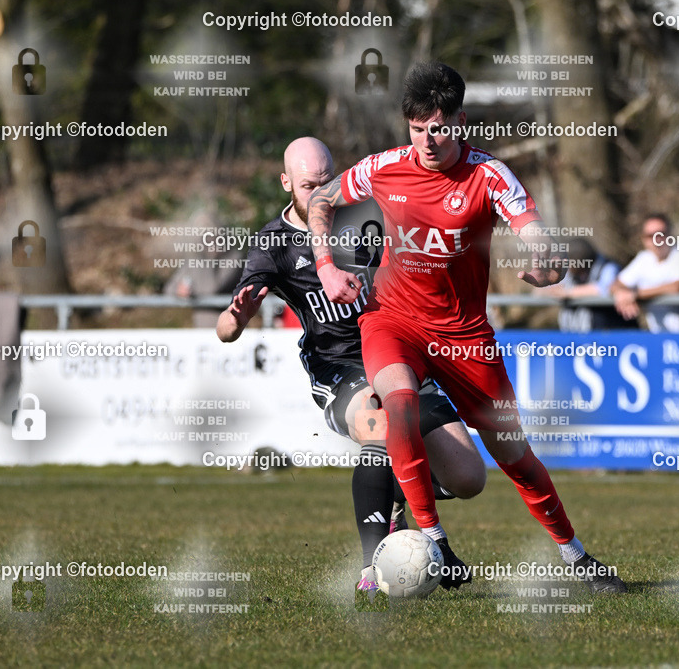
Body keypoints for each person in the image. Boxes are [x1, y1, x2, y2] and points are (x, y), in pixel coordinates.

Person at [307, 62, 626, 593]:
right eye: (416, 129)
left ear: (459, 120)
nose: (427, 140)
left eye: (438, 127)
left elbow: (537, 234)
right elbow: (322, 199)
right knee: (400, 402)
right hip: (394, 320)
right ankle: (432, 539)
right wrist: (325, 265)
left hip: (464, 337)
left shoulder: (488, 176)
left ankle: (577, 557)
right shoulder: (386, 167)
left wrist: (548, 264)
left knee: (514, 456)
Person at [216, 137, 486, 600]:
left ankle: (397, 502)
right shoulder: (273, 242)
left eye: (326, 182)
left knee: (467, 479)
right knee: (380, 427)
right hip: (338, 367)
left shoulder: (365, 216)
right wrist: (236, 317)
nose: (319, 193)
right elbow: (225, 329)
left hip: (397, 355)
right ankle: (372, 565)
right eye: (306, 185)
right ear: (286, 183)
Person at [610, 214, 679, 332]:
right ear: (643, 239)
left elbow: (675, 286)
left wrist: (635, 294)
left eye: (660, 234)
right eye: (650, 235)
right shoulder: (644, 258)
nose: (656, 239)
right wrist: (621, 293)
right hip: (656, 337)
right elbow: (615, 284)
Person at [537, 238, 631, 332]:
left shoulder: (609, 267)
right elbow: (542, 289)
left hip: (610, 332)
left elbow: (606, 288)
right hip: (573, 333)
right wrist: (550, 288)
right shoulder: (566, 269)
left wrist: (568, 292)